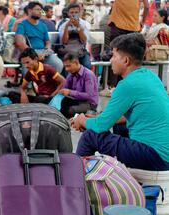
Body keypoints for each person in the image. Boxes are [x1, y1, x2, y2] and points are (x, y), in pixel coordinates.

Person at [72, 33, 169, 171]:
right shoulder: (151, 77)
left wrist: (82, 120)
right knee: (119, 127)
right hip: (165, 154)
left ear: (126, 61)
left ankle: (76, 180)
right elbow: (123, 117)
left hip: (154, 157)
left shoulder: (127, 85)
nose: (111, 60)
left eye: (114, 56)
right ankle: (119, 172)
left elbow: (100, 126)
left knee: (90, 136)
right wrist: (92, 120)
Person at [15, 1, 64, 73]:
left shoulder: (43, 25)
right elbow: (19, 43)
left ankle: (50, 83)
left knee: (57, 63)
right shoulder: (22, 25)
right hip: (29, 53)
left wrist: (45, 51)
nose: (40, 12)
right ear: (29, 11)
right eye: (37, 9)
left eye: (41, 10)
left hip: (43, 52)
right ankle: (30, 83)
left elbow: (48, 42)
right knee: (29, 69)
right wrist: (34, 54)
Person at [59, 53, 98, 118]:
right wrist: (62, 91)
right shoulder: (71, 74)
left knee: (70, 111)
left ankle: (92, 112)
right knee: (62, 103)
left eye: (68, 66)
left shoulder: (88, 75)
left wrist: (70, 92)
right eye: (65, 66)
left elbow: (89, 95)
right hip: (77, 100)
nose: (66, 69)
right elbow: (65, 88)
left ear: (76, 63)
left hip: (89, 104)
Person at [58, 3, 92, 69]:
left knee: (87, 65)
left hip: (81, 52)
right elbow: (64, 42)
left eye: (76, 12)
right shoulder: (63, 25)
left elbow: (84, 41)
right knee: (68, 66)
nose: (74, 14)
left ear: (79, 13)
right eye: (72, 12)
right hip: (67, 52)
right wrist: (67, 27)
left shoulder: (84, 24)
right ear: (68, 14)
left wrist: (78, 27)